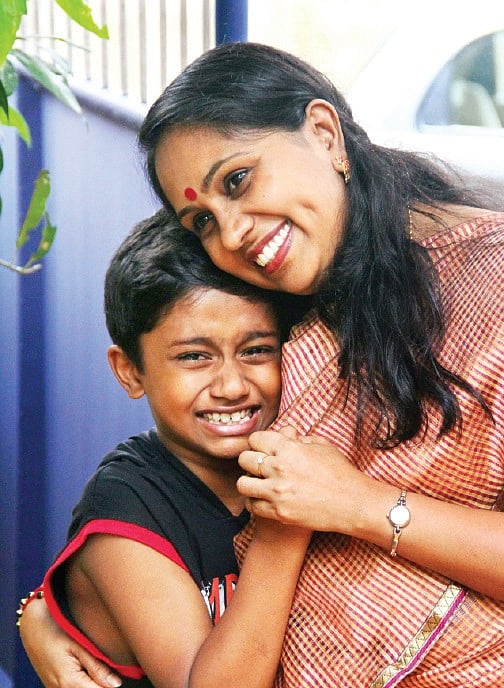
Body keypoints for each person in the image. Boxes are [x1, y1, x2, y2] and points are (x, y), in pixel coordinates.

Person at [21, 41, 504, 686]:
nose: (231, 233)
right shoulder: (301, 286)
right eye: (201, 221)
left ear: (324, 133)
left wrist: (362, 505)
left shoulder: (485, 285)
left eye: (238, 180)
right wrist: (53, 611)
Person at [18, 207, 313, 688]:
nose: (232, 386)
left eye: (256, 350)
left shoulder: (315, 452)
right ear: (130, 371)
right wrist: (283, 531)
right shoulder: (128, 502)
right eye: (194, 357)